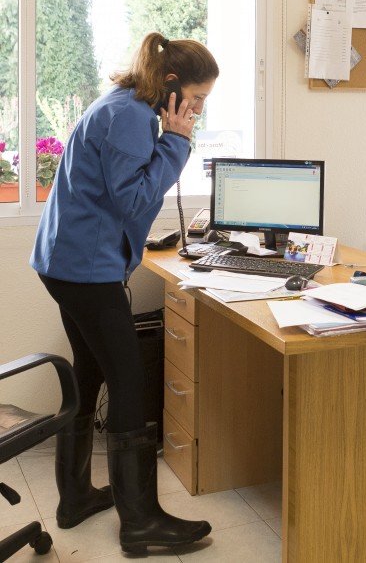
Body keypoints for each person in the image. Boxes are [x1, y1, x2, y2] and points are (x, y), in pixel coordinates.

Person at [30, 32, 218, 552]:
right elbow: (133, 200)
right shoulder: (132, 117)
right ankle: (140, 523)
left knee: (89, 370)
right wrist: (176, 142)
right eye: (197, 99)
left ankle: (75, 498)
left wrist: (170, 137)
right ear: (172, 84)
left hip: (66, 261)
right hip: (84, 269)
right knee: (129, 382)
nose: (198, 110)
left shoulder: (123, 104)